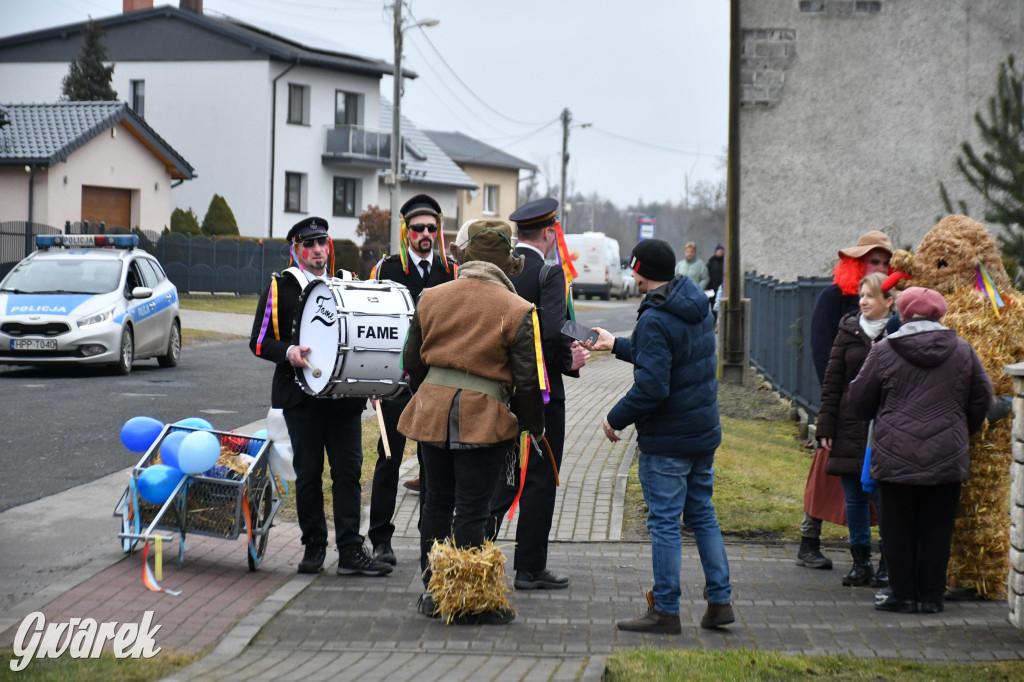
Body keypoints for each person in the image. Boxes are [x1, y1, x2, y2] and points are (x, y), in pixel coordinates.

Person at [399, 218, 545, 624]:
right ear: (505, 261)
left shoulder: (431, 296)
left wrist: (430, 399)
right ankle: (464, 600)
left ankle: (434, 592)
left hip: (431, 414)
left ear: (467, 256)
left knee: (436, 503)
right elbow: (528, 382)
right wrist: (535, 426)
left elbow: (411, 363)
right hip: (483, 420)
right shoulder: (517, 309)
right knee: (472, 509)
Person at [590, 238, 733, 634]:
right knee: (703, 514)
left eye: (633, 268)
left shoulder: (654, 317)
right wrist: (615, 344)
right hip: (702, 433)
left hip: (668, 441)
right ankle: (720, 601)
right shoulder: (692, 303)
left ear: (640, 271)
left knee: (665, 522)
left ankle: (666, 609)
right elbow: (668, 356)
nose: (631, 274)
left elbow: (653, 386)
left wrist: (614, 419)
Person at [250, 216, 392, 577]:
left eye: (322, 244)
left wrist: (375, 381)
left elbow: (365, 339)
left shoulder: (346, 284)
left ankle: (349, 550)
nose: (317, 251)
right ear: (295, 249)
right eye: (309, 245)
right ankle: (313, 546)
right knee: (309, 474)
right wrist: (289, 352)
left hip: (343, 400)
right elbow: (258, 340)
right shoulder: (281, 286)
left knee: (348, 473)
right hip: (302, 399)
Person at [848, 287, 992, 614]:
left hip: (895, 454)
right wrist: (958, 429)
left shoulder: (884, 350)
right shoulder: (963, 351)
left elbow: (858, 401)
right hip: (947, 455)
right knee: (938, 528)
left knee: (898, 528)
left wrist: (883, 417)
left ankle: (902, 595)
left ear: (905, 313)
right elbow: (982, 397)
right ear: (940, 314)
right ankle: (931, 597)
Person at [487, 198, 589, 590]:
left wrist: (590, 337)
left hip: (500, 390)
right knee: (540, 480)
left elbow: (556, 324)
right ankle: (529, 567)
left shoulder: (503, 270)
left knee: (504, 478)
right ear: (549, 232)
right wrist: (571, 361)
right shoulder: (550, 273)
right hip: (542, 397)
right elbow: (551, 330)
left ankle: (474, 551)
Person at [366, 194, 455, 566]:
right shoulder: (385, 270)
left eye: (431, 228)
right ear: (406, 231)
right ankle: (381, 541)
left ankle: (431, 543)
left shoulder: (452, 272)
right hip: (395, 383)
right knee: (389, 460)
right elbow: (367, 326)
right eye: (418, 228)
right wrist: (372, 382)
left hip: (436, 383)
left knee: (434, 467)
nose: (425, 235)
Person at [800, 229, 893, 571]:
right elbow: (825, 355)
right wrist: (836, 406)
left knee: (869, 484)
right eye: (874, 261)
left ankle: (874, 555)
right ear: (858, 262)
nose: (879, 266)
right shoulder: (834, 298)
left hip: (877, 413)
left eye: (885, 262)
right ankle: (808, 539)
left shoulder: (891, 307)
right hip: (841, 404)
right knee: (826, 473)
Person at [815, 272, 894, 587]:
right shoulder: (848, 330)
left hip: (884, 426)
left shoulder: (897, 332)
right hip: (849, 425)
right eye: (861, 295)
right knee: (854, 497)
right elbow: (833, 382)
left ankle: (888, 562)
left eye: (870, 296)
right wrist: (825, 425)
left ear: (889, 301)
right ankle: (860, 561)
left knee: (884, 497)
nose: (862, 301)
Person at [707, 243, 725, 315]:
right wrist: (708, 287)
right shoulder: (711, 261)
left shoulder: (726, 261)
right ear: (716, 251)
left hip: (723, 287)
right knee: (713, 306)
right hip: (712, 287)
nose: (720, 251)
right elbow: (707, 274)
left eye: (721, 250)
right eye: (718, 250)